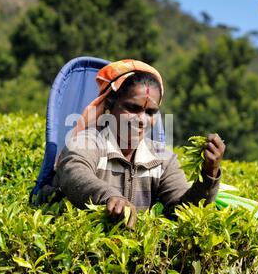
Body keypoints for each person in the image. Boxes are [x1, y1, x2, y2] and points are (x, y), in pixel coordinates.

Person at [41, 59, 225, 228]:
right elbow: (74, 173)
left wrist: (210, 173)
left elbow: (182, 212)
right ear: (109, 106)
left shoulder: (163, 159)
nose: (142, 120)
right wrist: (110, 197)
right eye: (132, 108)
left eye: (150, 112)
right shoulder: (87, 141)